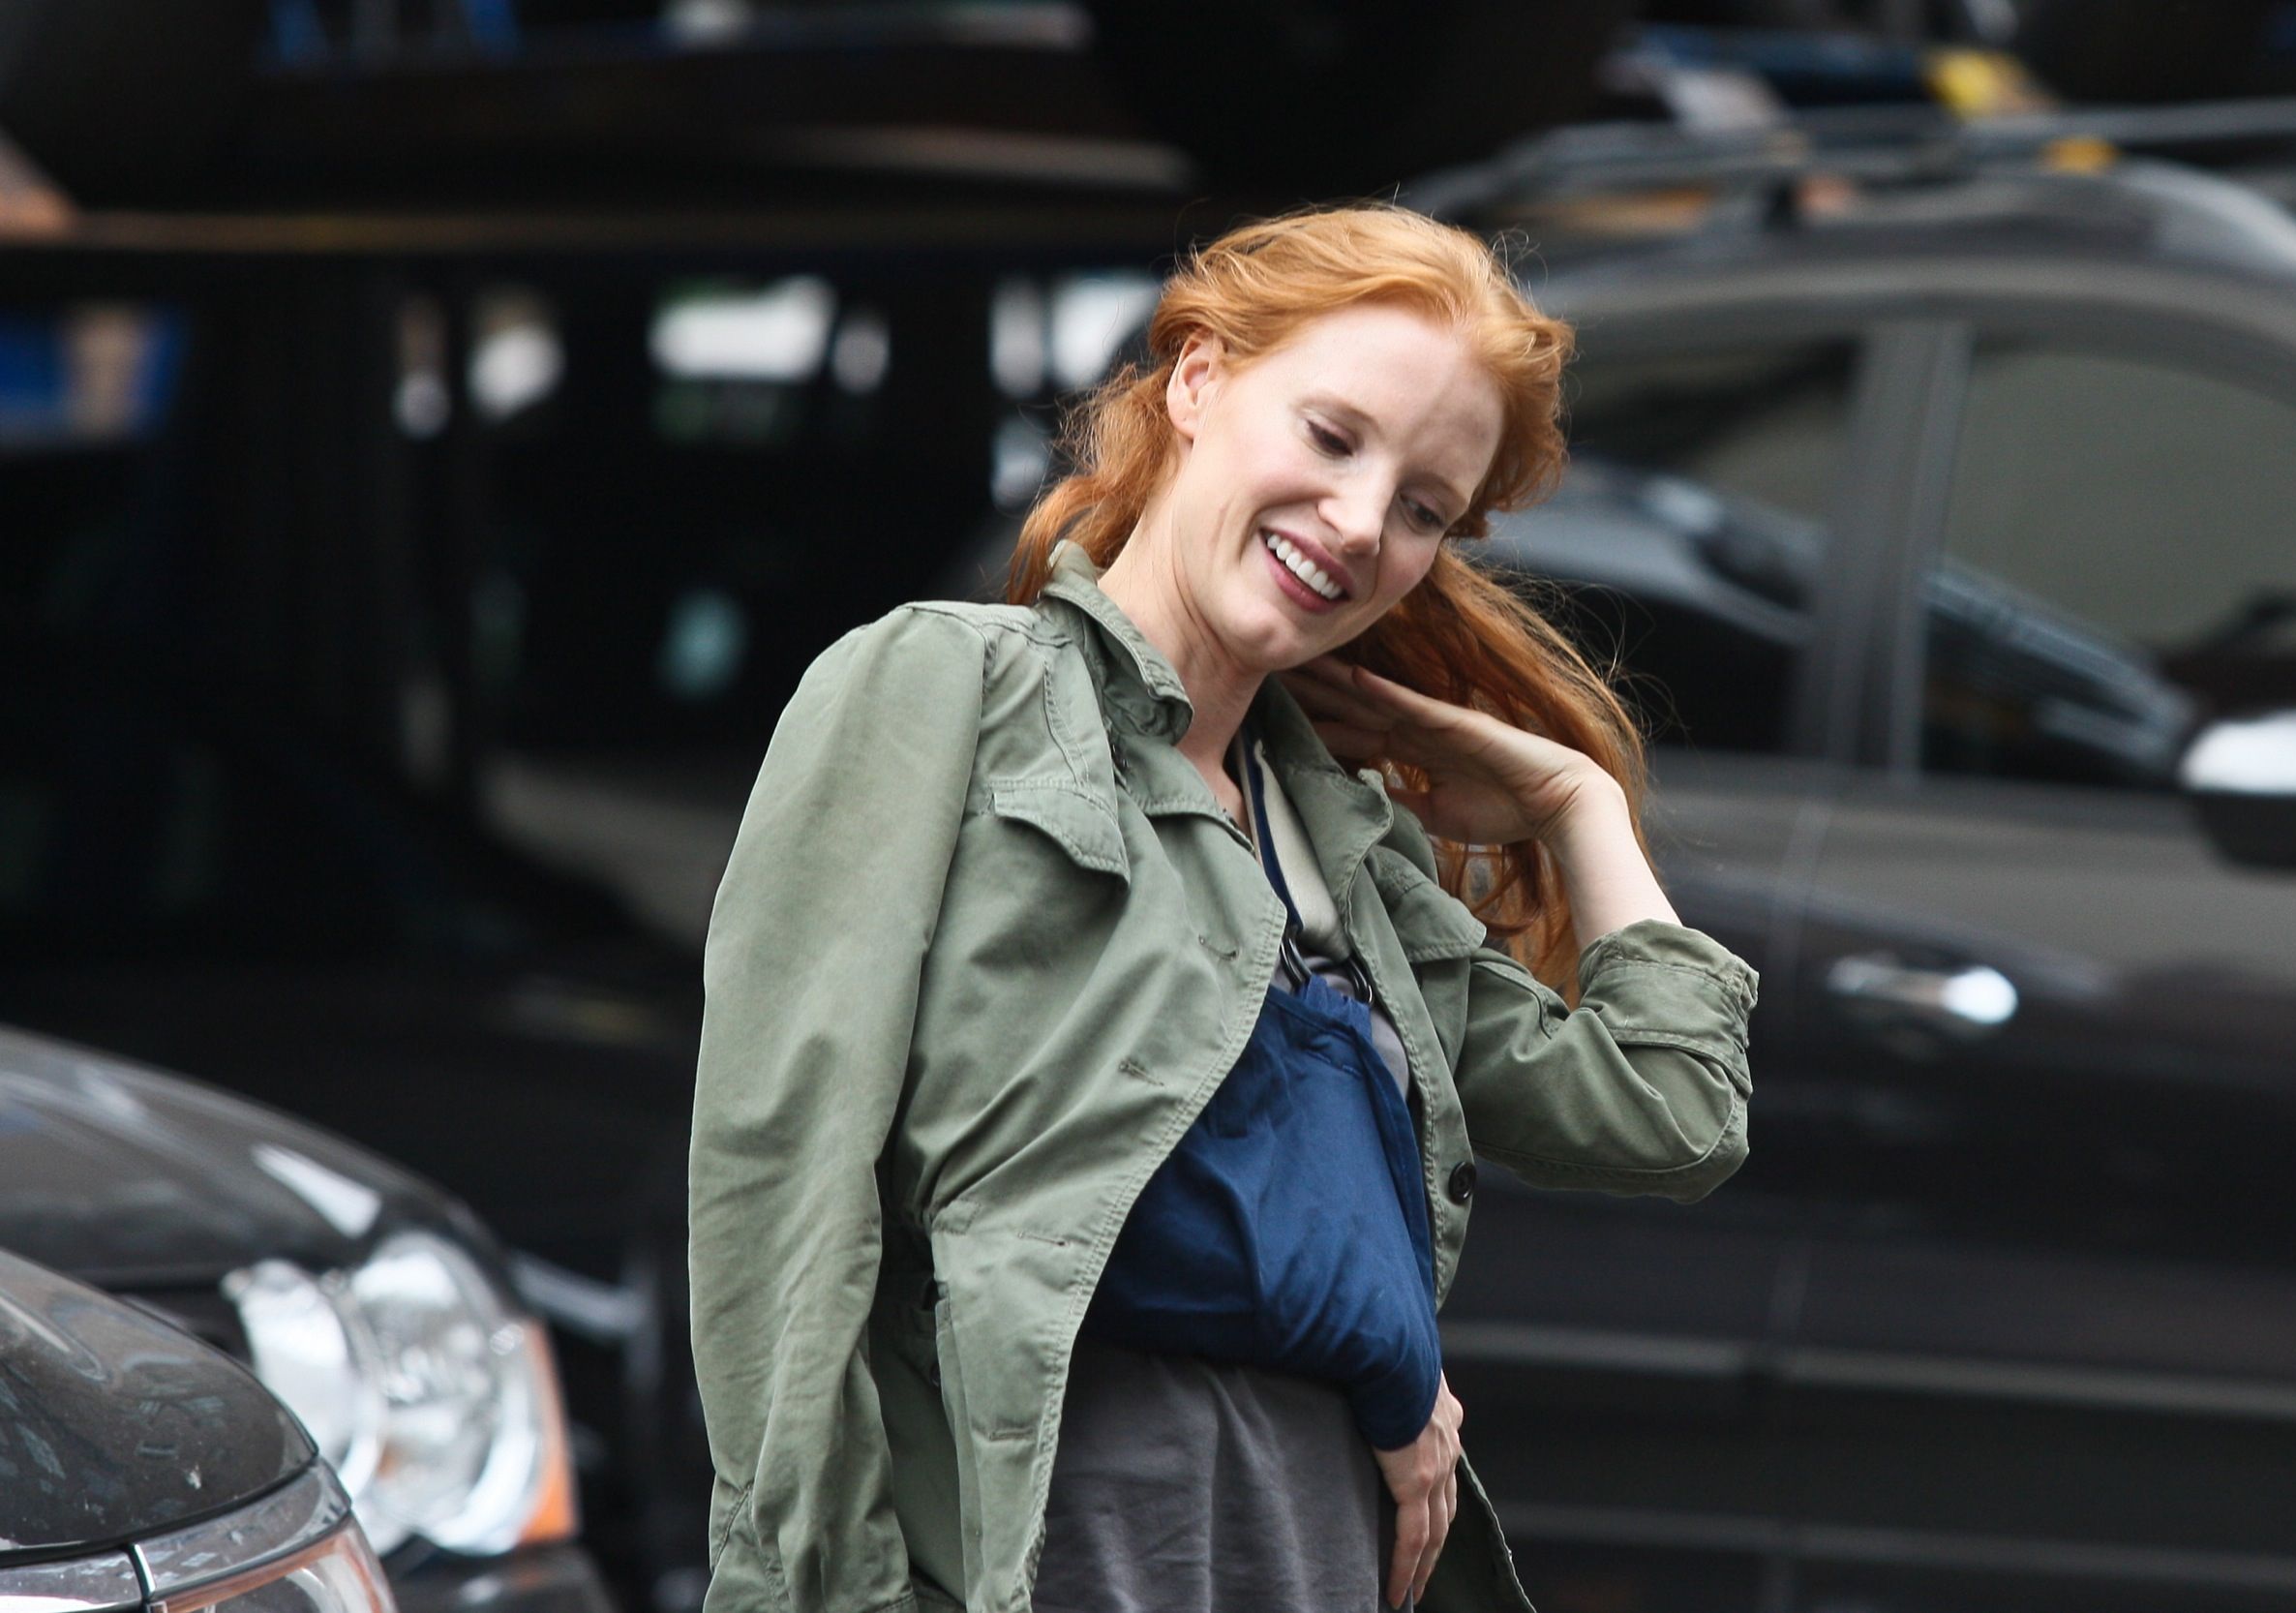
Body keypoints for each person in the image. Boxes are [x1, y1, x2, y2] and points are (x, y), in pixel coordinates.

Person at [688, 203, 1760, 1613]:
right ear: (1197, 378)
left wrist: (1578, 804)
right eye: (1332, 436)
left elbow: (1673, 1115)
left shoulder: (1347, 852)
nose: (1364, 523)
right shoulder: (950, 691)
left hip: (1303, 1551)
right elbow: (781, 1190)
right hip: (1034, 1553)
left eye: (1426, 507)